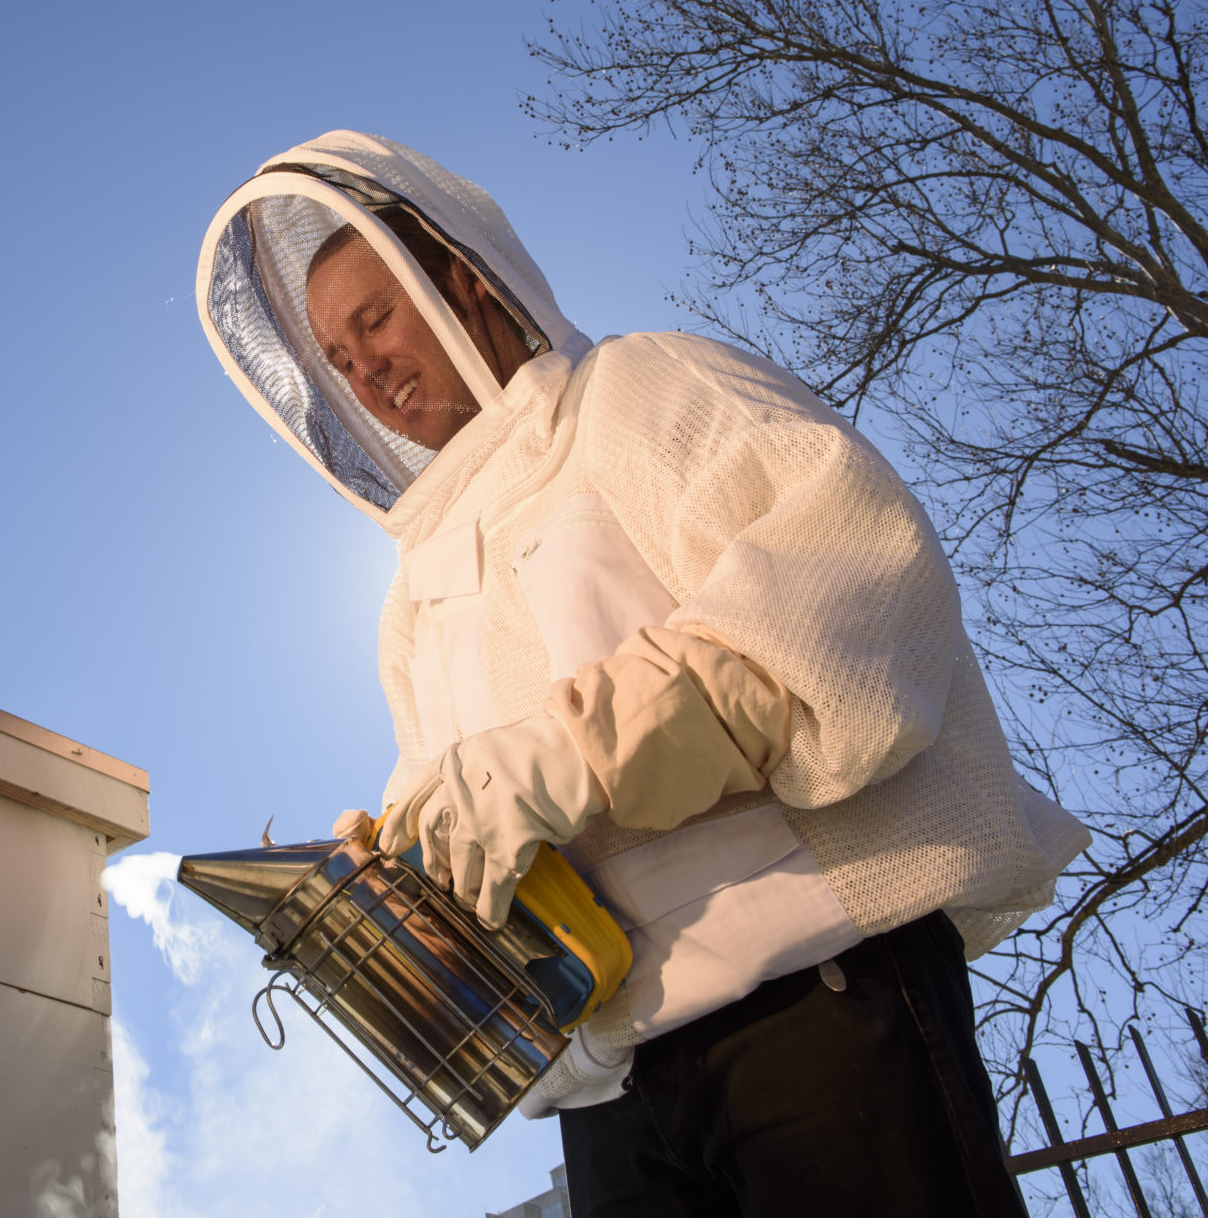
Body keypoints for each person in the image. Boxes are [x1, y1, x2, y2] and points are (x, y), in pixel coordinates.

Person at [193, 132, 1088, 1217]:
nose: (363, 368)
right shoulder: (411, 603)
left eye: (374, 318)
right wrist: (402, 890)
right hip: (610, 1089)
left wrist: (572, 753)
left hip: (808, 1007)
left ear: (464, 276)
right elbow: (475, 826)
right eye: (335, 357)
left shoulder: (637, 388)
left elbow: (844, 570)